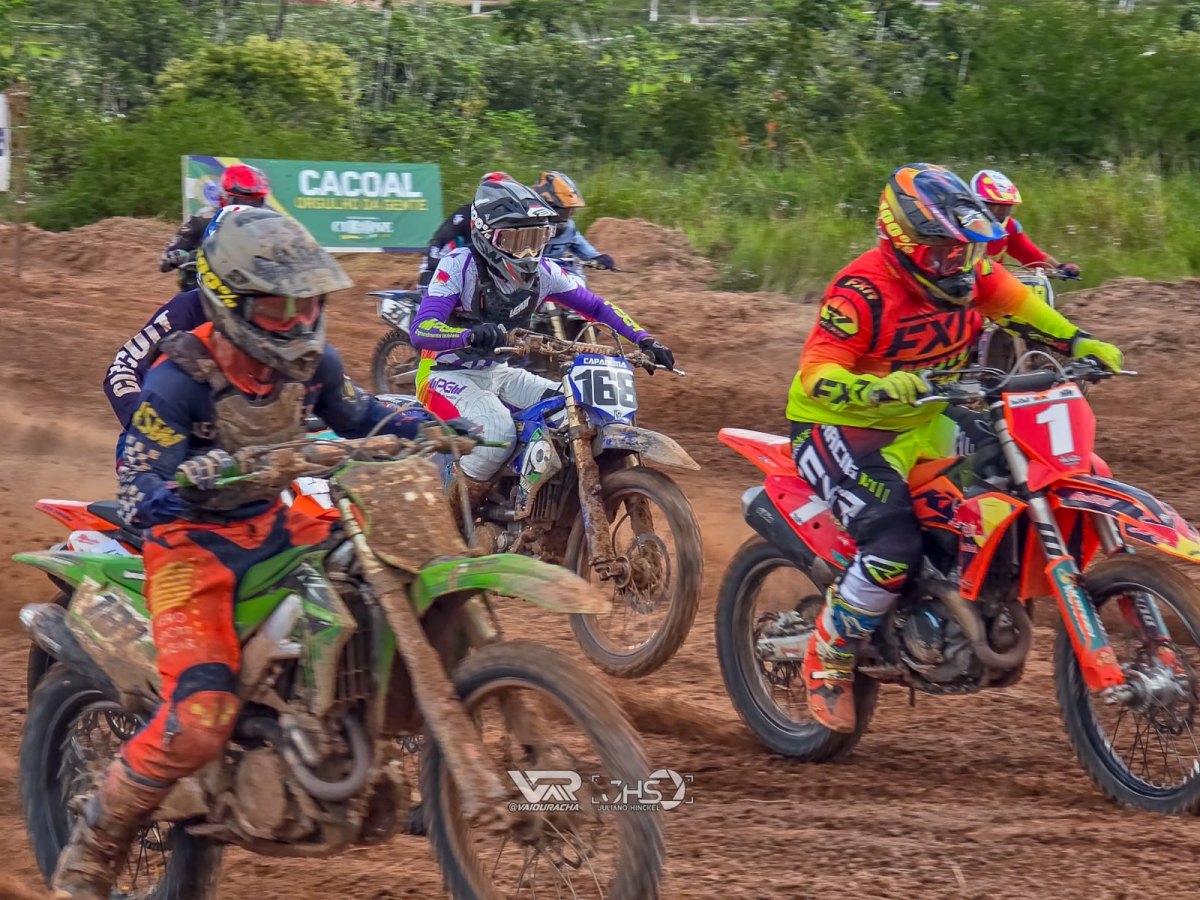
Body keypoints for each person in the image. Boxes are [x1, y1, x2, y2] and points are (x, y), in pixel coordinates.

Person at [52, 207, 450, 899]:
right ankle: (93, 847)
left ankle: (333, 725)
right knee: (200, 717)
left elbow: (362, 415)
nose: (296, 321)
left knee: (378, 587)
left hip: (280, 525)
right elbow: (137, 475)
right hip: (189, 550)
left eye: (308, 303)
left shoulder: (313, 363)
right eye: (276, 306)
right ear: (229, 301)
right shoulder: (179, 379)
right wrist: (173, 486)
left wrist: (436, 424)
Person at [788, 163, 1122, 733]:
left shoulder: (976, 272)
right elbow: (817, 373)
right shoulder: (861, 291)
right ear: (903, 244)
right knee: (893, 544)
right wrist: (874, 386)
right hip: (844, 425)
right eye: (941, 251)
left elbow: (1025, 308)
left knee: (1017, 468)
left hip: (928, 413)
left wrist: (1079, 341)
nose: (957, 263)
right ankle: (829, 656)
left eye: (964, 248)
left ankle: (987, 581)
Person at [409, 173, 672, 507]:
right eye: (518, 241)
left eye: (537, 238)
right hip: (443, 376)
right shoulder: (458, 266)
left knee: (575, 412)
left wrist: (644, 338)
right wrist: (468, 334)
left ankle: (543, 507)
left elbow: (596, 306)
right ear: (488, 237)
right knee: (497, 432)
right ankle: (450, 522)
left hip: (501, 373)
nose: (529, 252)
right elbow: (422, 328)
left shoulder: (545, 272)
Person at [160, 164, 271, 289]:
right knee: (181, 306)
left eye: (256, 202)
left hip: (248, 293)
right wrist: (181, 256)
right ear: (224, 197)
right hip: (202, 292)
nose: (249, 207)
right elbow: (164, 261)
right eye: (244, 201)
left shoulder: (266, 228)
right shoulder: (202, 221)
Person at [971, 169, 1080, 278]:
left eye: (1005, 208)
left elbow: (1032, 255)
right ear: (977, 204)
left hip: (994, 285)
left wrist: (1060, 268)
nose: (1000, 213)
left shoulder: (1009, 227)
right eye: (994, 207)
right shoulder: (961, 227)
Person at [532, 170, 616, 271]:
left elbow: (580, 245)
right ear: (547, 207)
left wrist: (597, 258)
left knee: (576, 273)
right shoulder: (524, 226)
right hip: (525, 278)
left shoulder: (569, 228)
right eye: (564, 210)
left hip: (554, 275)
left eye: (570, 210)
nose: (568, 214)